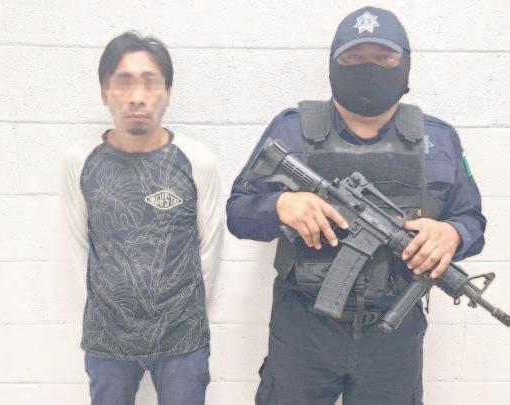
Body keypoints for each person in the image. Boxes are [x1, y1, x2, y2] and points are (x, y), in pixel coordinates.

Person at [226, 7, 486, 405]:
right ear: (333, 64)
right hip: (303, 329)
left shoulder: (438, 139)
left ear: (405, 63)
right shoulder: (291, 130)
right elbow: (238, 212)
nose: (370, 68)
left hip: (394, 335)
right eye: (354, 57)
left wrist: (452, 233)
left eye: (384, 58)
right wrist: (280, 205)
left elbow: (471, 220)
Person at [62, 31, 223, 405]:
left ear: (167, 92)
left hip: (182, 337)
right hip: (108, 337)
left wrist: (182, 313)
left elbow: (210, 250)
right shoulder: (80, 161)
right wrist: (108, 311)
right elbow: (78, 247)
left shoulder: (197, 161)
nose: (137, 96)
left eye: (150, 82)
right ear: (105, 91)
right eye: (123, 82)